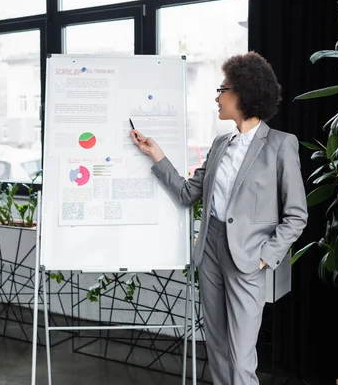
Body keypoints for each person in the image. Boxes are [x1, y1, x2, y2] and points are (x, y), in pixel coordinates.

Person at [129, 51, 308, 385]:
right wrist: (157, 154)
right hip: (209, 251)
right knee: (218, 350)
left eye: (222, 89)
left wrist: (265, 257)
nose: (217, 97)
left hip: (247, 259)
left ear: (242, 93)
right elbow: (187, 193)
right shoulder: (220, 143)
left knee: (241, 359)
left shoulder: (281, 145)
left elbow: (296, 216)